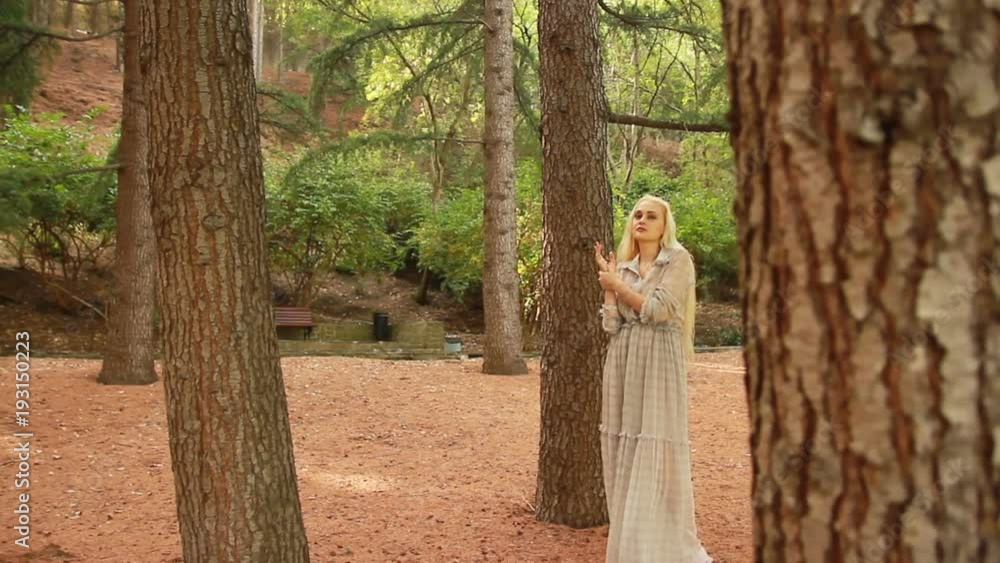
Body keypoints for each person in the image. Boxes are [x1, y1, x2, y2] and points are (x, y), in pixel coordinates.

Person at [594, 194, 711, 563]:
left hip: (659, 358)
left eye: (651, 216)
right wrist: (610, 288)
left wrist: (616, 285)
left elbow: (658, 310)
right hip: (623, 362)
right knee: (624, 445)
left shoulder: (677, 260)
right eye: (637, 215)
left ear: (664, 225)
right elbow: (612, 325)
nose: (642, 221)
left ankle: (659, 549)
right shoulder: (625, 267)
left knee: (655, 442)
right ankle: (630, 546)